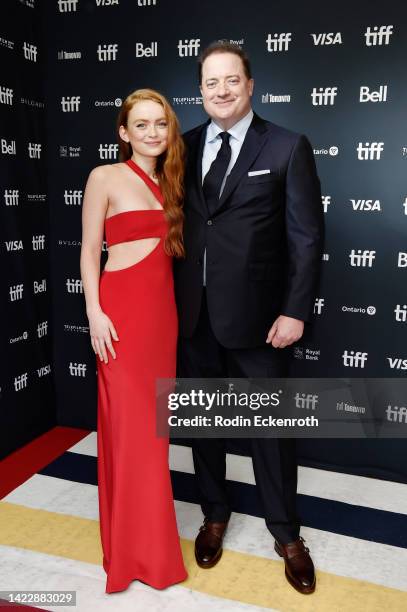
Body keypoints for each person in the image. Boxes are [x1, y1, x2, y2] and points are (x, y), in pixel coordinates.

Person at [174, 41, 324, 595]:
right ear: (200, 91)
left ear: (250, 84)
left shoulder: (286, 146)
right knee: (204, 427)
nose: (221, 91)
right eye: (211, 83)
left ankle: (286, 534)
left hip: (263, 322)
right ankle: (214, 514)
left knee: (272, 435)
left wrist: (295, 310)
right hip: (194, 317)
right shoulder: (182, 149)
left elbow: (307, 238)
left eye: (231, 80)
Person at [80, 88, 188, 593]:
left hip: (161, 319)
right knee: (129, 431)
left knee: (154, 434)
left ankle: (153, 547)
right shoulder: (104, 176)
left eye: (160, 124)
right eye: (141, 124)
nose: (152, 132)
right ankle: (128, 551)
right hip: (118, 315)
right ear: (124, 132)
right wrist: (94, 313)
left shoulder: (173, 182)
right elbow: (87, 251)